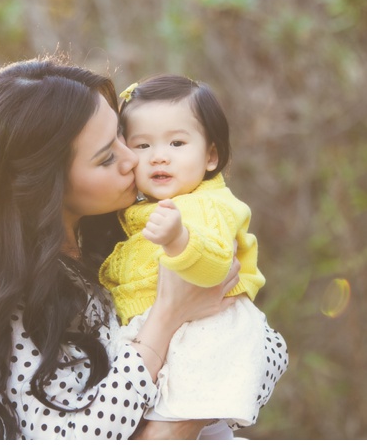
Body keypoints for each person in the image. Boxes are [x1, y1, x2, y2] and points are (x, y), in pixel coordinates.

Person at [0, 54, 285, 440]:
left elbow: (267, 353)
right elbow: (67, 435)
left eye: (121, 134)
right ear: (46, 183)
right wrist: (168, 319)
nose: (134, 157)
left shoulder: (134, 233)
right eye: (106, 157)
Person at [99, 74, 288, 438]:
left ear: (211, 155)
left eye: (177, 142)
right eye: (141, 145)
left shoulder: (203, 207)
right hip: (170, 338)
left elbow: (219, 266)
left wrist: (179, 240)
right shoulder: (144, 211)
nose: (159, 156)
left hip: (204, 338)